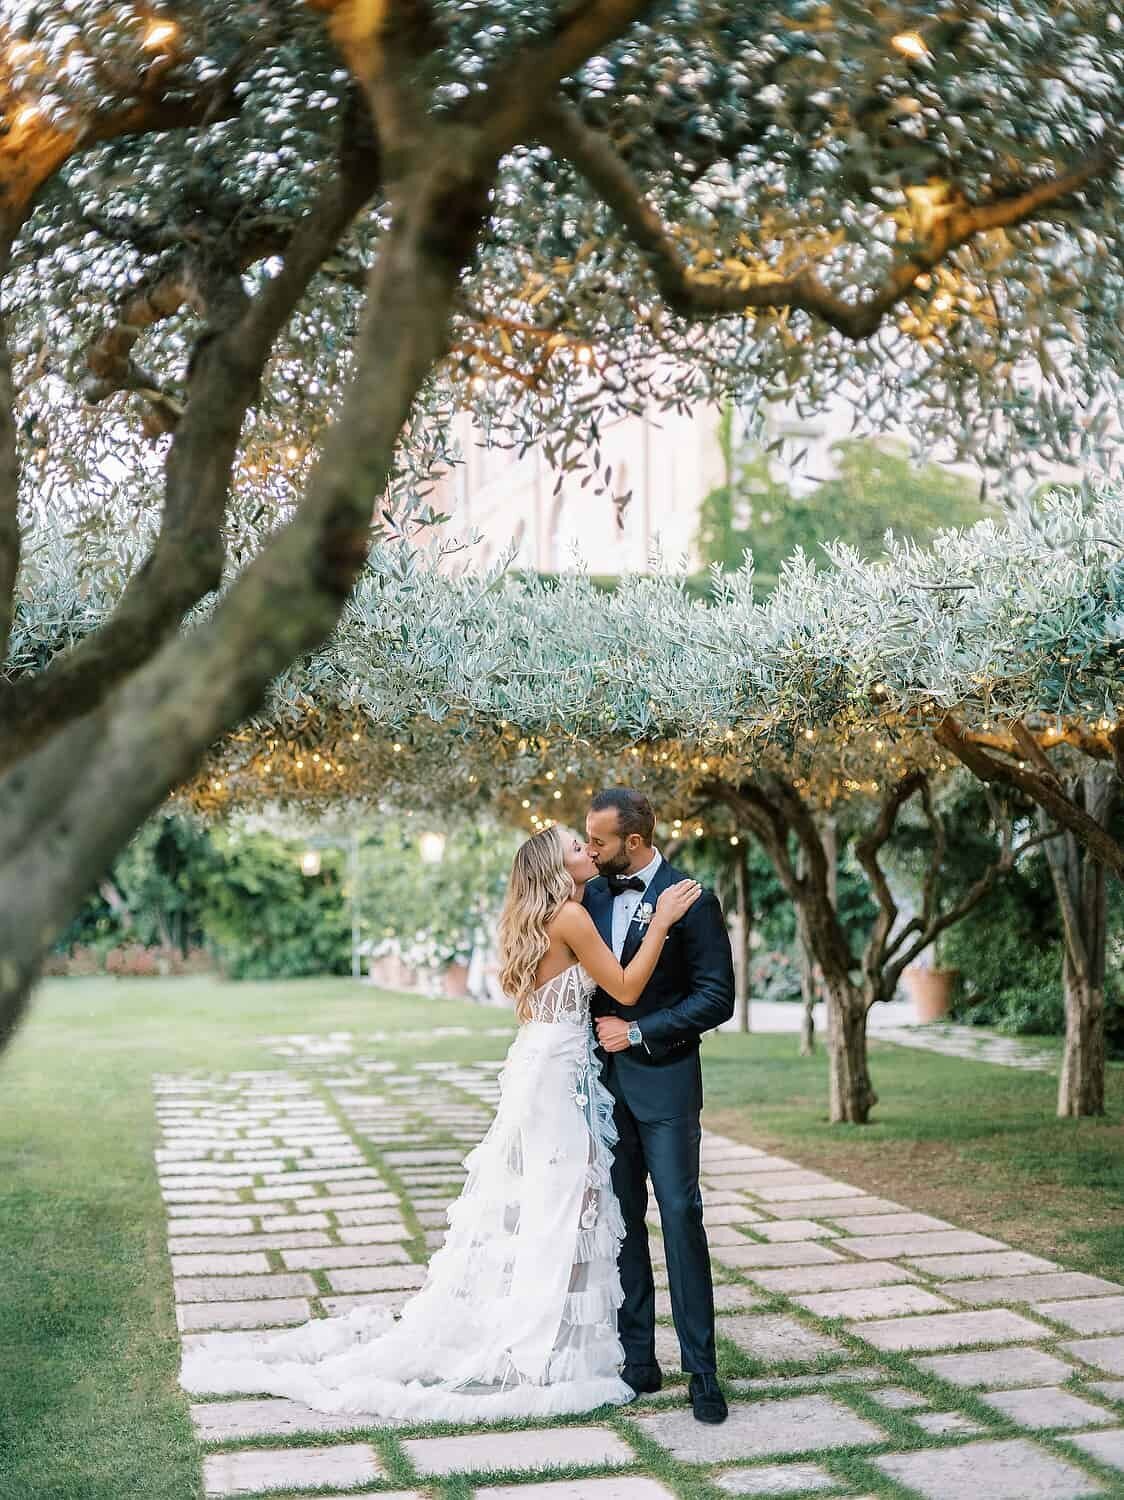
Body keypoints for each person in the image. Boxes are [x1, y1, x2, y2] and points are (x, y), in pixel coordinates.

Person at [179, 823, 701, 1422]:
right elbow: (629, 986)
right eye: (576, 847)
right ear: (556, 867)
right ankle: (541, 1348)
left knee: (552, 1201)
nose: (588, 851)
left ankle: (551, 1336)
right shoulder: (574, 919)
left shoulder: (535, 919)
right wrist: (659, 921)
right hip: (557, 1076)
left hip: (540, 1064)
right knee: (564, 1202)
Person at [585, 787, 735, 1425]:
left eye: (599, 841)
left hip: (668, 1083)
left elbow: (717, 997)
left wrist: (642, 1030)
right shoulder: (588, 895)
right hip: (601, 1086)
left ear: (636, 842)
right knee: (621, 1222)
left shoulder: (691, 900)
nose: (590, 850)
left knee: (680, 1216)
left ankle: (702, 1371)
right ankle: (637, 1359)